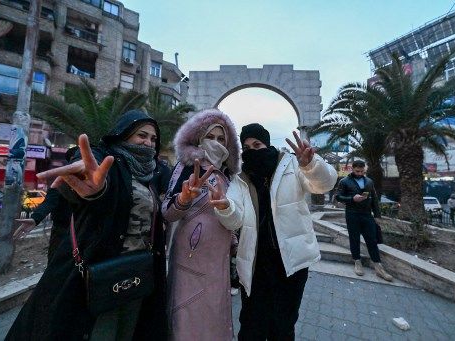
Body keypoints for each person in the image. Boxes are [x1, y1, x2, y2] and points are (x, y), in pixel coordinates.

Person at [6, 110, 168, 340]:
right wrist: (94, 188)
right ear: (123, 135)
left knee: (129, 331)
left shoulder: (148, 174)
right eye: (141, 135)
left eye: (153, 139)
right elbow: (93, 177)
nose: (148, 143)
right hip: (103, 271)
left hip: (137, 270)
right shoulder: (107, 160)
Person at [210, 123, 337, 340]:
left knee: (283, 325)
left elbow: (324, 184)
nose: (252, 150)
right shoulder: (241, 178)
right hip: (255, 263)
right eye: (247, 147)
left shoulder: (291, 165)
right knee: (251, 325)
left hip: (290, 263)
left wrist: (311, 165)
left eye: (257, 144)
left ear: (267, 144)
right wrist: (224, 208)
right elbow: (235, 219)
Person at [162, 108, 240, 340]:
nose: (216, 143)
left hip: (220, 258)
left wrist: (233, 237)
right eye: (210, 137)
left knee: (214, 312)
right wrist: (183, 200)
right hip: (190, 256)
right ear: (198, 137)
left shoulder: (227, 175)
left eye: (221, 139)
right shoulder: (186, 166)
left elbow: (229, 214)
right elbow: (167, 212)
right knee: (188, 313)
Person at [336, 160, 393, 281]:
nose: (360, 173)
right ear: (352, 169)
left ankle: (378, 266)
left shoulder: (369, 181)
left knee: (372, 239)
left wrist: (377, 216)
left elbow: (375, 199)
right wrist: (352, 198)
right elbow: (338, 197)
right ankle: (357, 262)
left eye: (362, 171)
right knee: (354, 238)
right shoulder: (344, 181)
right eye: (357, 171)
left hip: (367, 214)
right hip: (352, 214)